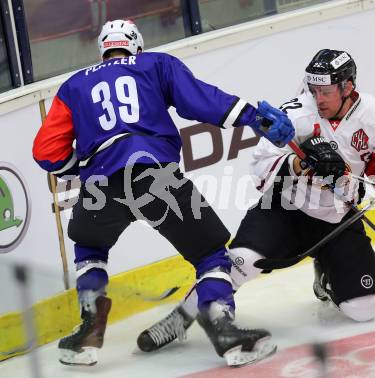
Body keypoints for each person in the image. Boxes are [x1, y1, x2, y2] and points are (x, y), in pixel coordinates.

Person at [137, 49, 375, 353]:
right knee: (240, 262)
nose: (318, 98)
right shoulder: (295, 114)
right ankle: (181, 318)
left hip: (337, 217)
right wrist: (298, 164)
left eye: (327, 91)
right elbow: (258, 167)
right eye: (314, 90)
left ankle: (327, 274)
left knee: (364, 309)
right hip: (285, 210)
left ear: (348, 87)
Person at [32, 19, 294, 367]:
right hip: (155, 175)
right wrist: (252, 116)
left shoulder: (74, 85)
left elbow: (45, 151)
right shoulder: (155, 64)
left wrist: (81, 169)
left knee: (90, 248)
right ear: (135, 45)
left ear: (103, 50)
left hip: (100, 185)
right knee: (211, 255)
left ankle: (87, 334)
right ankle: (223, 329)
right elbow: (202, 101)